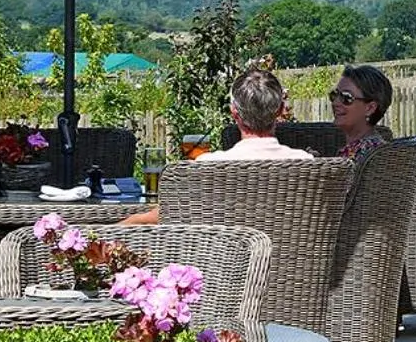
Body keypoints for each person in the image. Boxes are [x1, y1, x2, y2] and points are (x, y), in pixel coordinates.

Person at [119, 68, 311, 225]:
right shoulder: (307, 165)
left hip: (225, 271)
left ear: (234, 113)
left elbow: (163, 217)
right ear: (279, 111)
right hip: (300, 271)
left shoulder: (208, 166)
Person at [331, 63, 394, 159]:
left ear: (370, 108)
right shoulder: (373, 149)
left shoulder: (364, 155)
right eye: (334, 95)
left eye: (346, 97)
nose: (335, 103)